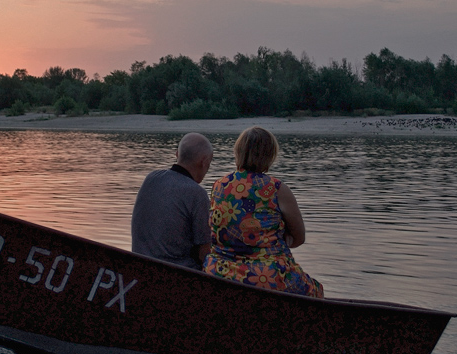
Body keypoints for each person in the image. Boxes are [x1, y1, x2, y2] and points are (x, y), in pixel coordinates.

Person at [204, 126, 324, 298]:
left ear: (238, 151)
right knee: (317, 292)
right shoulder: (276, 189)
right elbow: (299, 237)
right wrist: (270, 244)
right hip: (265, 277)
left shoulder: (218, 186)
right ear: (269, 155)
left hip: (218, 272)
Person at [131, 132, 214, 269]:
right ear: (204, 162)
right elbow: (204, 253)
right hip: (176, 275)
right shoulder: (197, 194)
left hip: (140, 267)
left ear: (177, 154)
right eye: (209, 164)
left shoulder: (151, 178)